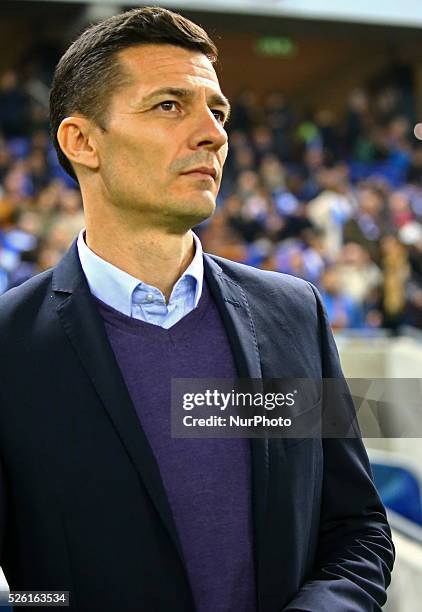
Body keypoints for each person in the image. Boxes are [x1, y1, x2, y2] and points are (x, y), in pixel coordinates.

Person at [0, 7, 394, 612]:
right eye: (169, 105)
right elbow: (25, 591)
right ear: (82, 141)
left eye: (218, 111)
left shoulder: (293, 315)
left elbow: (357, 530)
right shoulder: (9, 346)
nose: (212, 133)